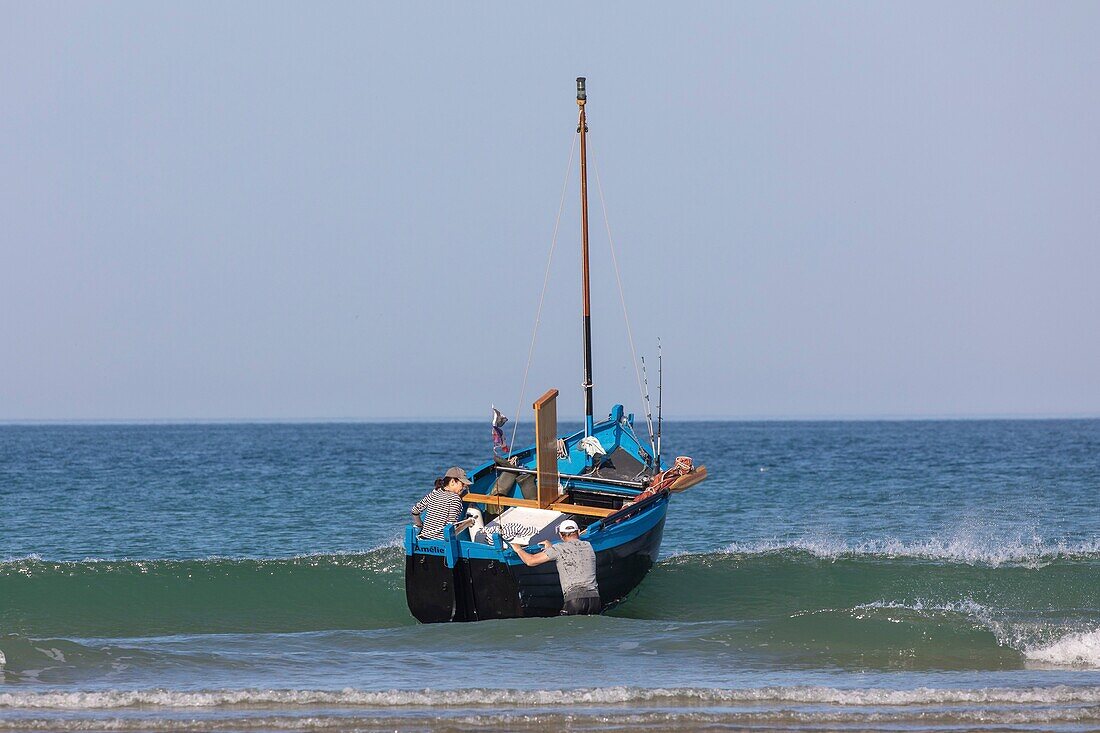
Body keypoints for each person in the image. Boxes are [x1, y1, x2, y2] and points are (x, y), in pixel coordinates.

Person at [511, 519, 601, 615]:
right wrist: (550, 549)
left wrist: (518, 549)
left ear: (561, 535)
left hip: (575, 600)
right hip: (595, 600)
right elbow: (572, 553)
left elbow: (530, 561)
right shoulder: (588, 546)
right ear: (578, 532)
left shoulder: (558, 549)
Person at [410, 467, 471, 540]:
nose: (464, 488)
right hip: (440, 545)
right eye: (463, 484)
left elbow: (415, 510)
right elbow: (451, 528)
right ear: (452, 482)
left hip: (422, 540)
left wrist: (420, 525)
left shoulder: (435, 492)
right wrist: (468, 522)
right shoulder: (455, 499)